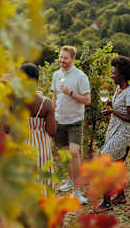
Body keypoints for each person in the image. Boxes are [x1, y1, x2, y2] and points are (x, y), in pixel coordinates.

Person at [94, 55, 130, 213]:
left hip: (123, 133)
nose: (111, 76)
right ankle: (121, 195)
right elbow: (121, 107)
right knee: (118, 164)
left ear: (122, 75)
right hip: (114, 130)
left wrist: (113, 111)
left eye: (114, 73)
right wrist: (111, 103)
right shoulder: (120, 89)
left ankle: (106, 202)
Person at [51, 45, 91, 204]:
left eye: (66, 58)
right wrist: (52, 114)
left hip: (75, 121)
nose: (62, 60)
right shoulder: (56, 74)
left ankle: (78, 191)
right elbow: (54, 97)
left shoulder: (81, 77)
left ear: (73, 59)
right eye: (61, 57)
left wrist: (71, 93)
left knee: (74, 153)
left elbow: (87, 100)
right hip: (59, 120)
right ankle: (70, 181)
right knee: (67, 156)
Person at [20, 63, 56, 192]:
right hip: (42, 149)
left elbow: (7, 128)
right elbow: (52, 131)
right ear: (37, 79)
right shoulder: (46, 103)